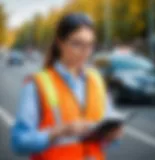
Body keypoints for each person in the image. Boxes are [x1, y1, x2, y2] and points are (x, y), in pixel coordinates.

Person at [11, 13, 122, 160]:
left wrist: (112, 135)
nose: (85, 52)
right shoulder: (36, 83)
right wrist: (58, 132)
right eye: (77, 43)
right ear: (60, 43)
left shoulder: (97, 80)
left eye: (90, 44)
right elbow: (18, 142)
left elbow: (105, 135)